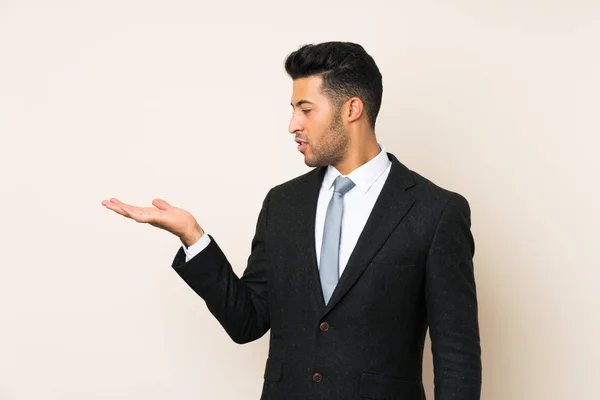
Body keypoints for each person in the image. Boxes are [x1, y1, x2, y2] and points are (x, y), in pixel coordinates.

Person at [102, 41, 482, 400]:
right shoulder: (283, 204)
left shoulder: (436, 211)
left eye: (305, 109)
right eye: (293, 109)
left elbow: (457, 355)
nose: (292, 125)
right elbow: (247, 321)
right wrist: (194, 237)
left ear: (352, 109)